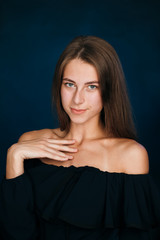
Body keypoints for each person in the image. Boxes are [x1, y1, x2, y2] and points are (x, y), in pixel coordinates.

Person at [0, 35, 160, 240]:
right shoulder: (30, 143)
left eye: (91, 86)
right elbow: (16, 232)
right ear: (59, 86)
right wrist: (14, 154)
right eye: (69, 84)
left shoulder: (130, 155)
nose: (77, 99)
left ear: (109, 90)